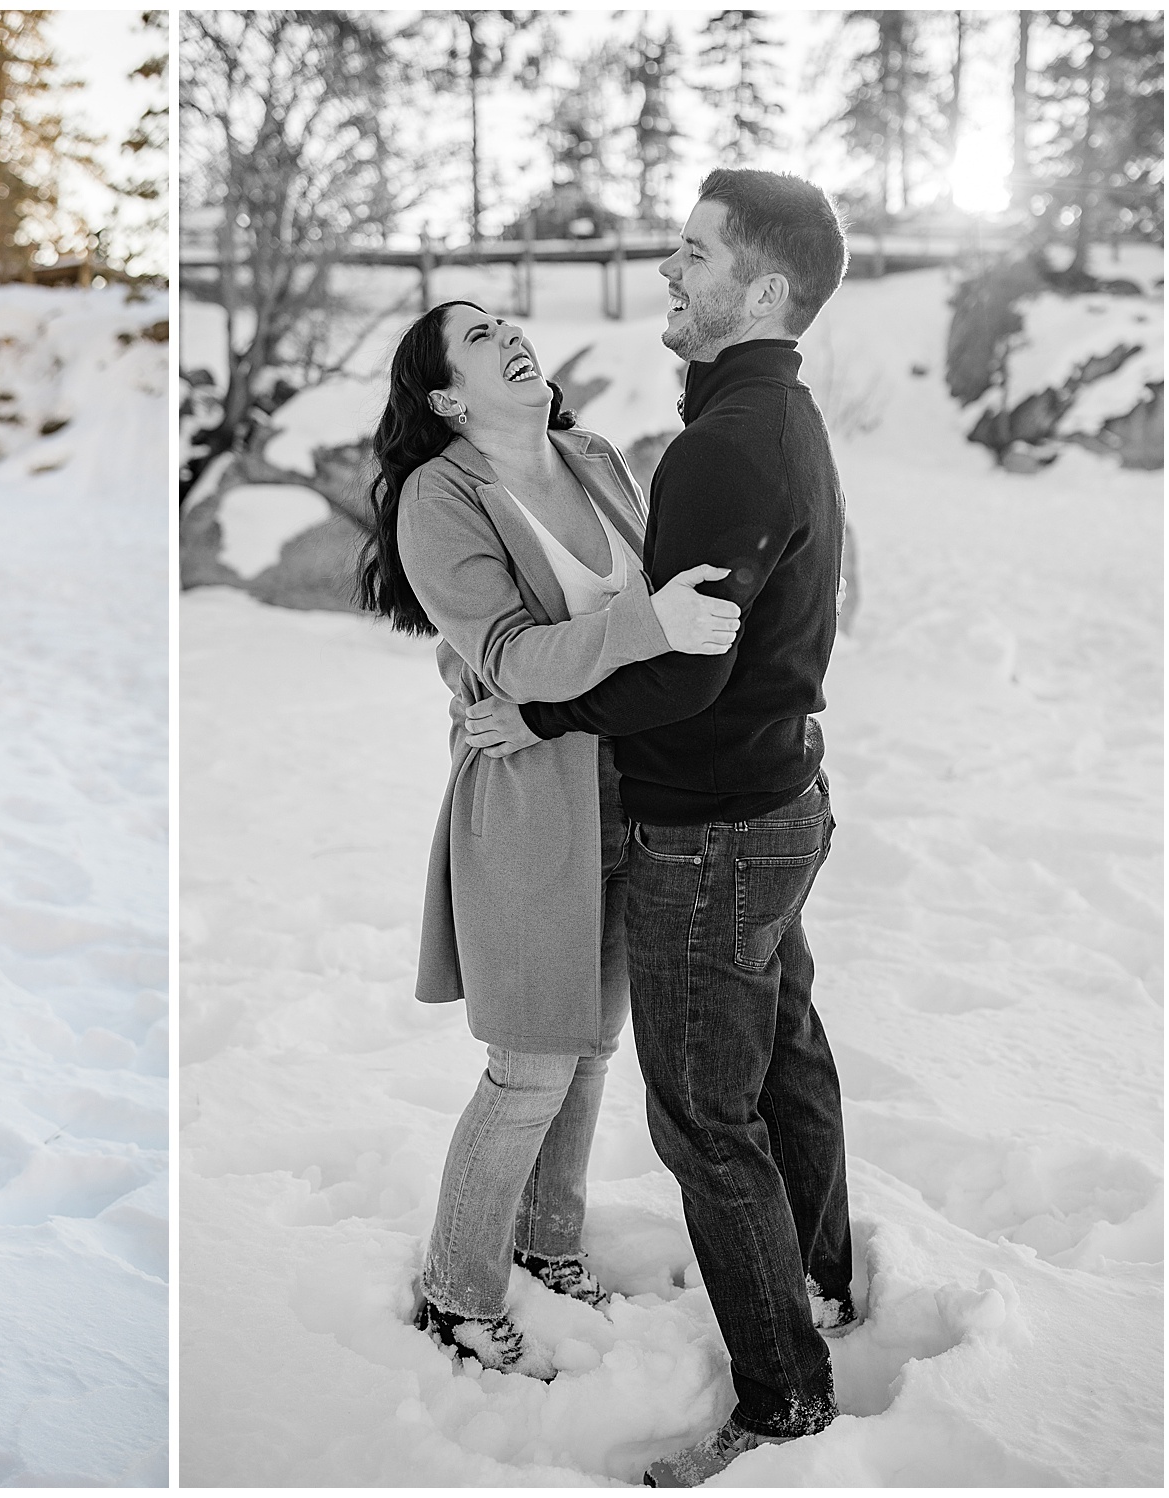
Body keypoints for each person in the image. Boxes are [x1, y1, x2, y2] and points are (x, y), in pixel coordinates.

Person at [467, 169, 854, 1485]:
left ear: (760, 288)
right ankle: (824, 1278)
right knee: (785, 1058)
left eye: (692, 254)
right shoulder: (765, 419)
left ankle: (784, 1394)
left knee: (704, 1112)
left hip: (721, 825)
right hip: (780, 796)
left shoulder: (731, 442)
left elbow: (688, 664)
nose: (665, 270)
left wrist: (544, 718)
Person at [355, 300, 743, 1379]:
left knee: (588, 1047)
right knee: (527, 1064)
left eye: (503, 321)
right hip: (530, 806)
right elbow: (516, 655)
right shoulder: (440, 497)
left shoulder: (592, 454)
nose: (507, 335)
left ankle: (548, 1240)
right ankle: (456, 1290)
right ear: (445, 396)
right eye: (476, 337)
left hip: (642, 797)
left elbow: (641, 604)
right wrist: (633, 631)